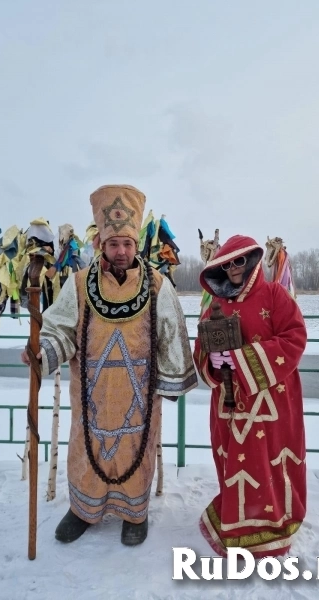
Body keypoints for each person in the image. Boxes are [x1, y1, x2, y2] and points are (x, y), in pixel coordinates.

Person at [21, 184, 197, 546]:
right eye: (113, 244)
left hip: (139, 397)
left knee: (137, 451)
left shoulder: (158, 285)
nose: (120, 251)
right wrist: (43, 350)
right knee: (86, 449)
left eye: (127, 244)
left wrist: (169, 378)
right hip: (91, 395)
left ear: (136, 246)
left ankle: (135, 514)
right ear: (102, 244)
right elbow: (60, 328)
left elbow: (170, 333)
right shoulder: (79, 284)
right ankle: (83, 511)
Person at [193, 234, 307, 558]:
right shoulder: (214, 305)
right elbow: (200, 348)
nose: (233, 269)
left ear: (253, 260)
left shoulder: (274, 296)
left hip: (272, 404)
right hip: (230, 408)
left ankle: (274, 521)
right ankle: (236, 519)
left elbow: (295, 338)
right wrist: (212, 363)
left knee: (271, 462)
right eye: (227, 263)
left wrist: (242, 360)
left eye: (239, 261)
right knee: (235, 465)